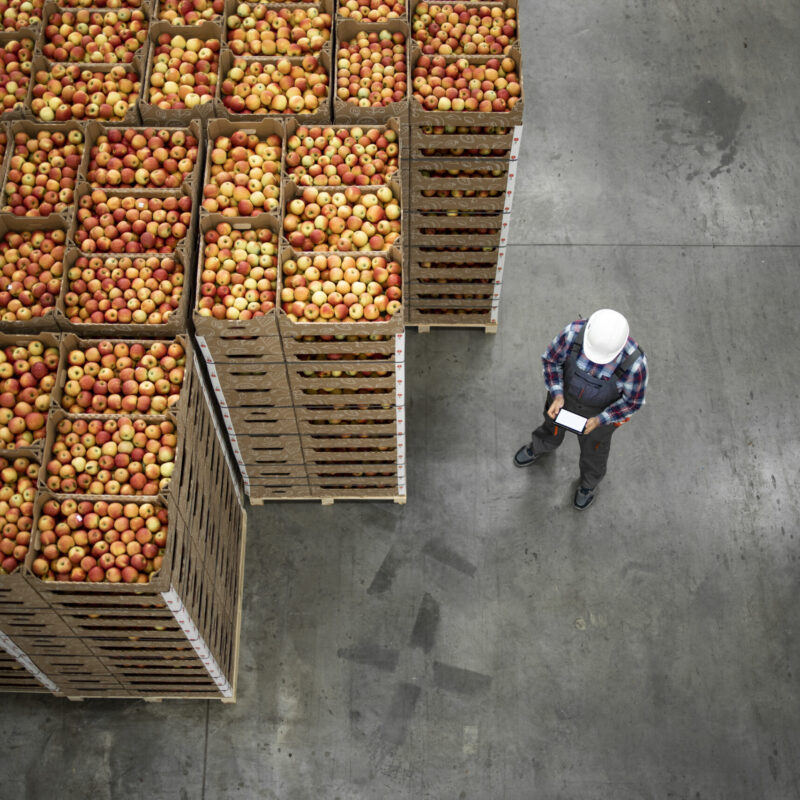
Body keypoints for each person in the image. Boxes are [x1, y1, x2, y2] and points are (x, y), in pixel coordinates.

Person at [514, 309, 648, 510]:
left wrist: (601, 419)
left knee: (595, 450)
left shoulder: (635, 365)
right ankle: (541, 445)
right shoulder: (573, 333)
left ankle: (588, 484)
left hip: (598, 416)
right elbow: (551, 361)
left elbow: (632, 402)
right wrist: (557, 394)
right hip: (563, 399)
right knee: (551, 427)